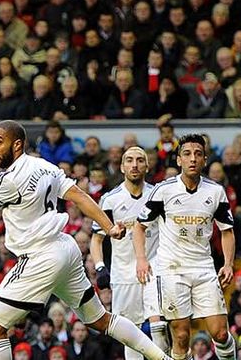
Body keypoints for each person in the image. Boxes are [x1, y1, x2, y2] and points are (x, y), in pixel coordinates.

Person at [0, 120, 170, 360]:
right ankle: (163, 359)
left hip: (39, 257)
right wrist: (108, 227)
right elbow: (78, 195)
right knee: (100, 320)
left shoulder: (10, 179)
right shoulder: (44, 166)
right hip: (65, 248)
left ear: (17, 145)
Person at [134, 134, 236, 360]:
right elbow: (139, 227)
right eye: (187, 154)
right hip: (172, 269)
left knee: (220, 332)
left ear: (205, 160)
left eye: (198, 154)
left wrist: (228, 264)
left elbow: (227, 231)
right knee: (180, 336)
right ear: (178, 160)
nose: (193, 159)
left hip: (203, 268)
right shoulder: (164, 190)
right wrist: (141, 259)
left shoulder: (215, 192)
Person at [89, 146, 169, 359]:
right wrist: (100, 267)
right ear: (122, 167)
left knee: (159, 325)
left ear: (147, 165)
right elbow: (96, 240)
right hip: (124, 274)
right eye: (130, 160)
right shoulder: (110, 199)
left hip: (154, 269)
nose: (135, 165)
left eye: (140, 160)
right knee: (130, 334)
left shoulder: (158, 195)